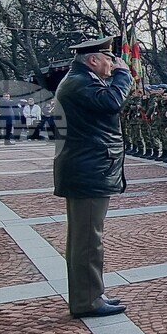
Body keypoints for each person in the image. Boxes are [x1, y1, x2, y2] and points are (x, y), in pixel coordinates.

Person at [53, 36, 133, 318]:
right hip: (89, 167)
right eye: (109, 59)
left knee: (86, 238)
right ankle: (88, 301)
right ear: (92, 60)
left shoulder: (80, 80)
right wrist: (125, 75)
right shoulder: (80, 82)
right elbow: (112, 103)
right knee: (88, 239)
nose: (113, 64)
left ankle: (91, 293)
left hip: (88, 165)